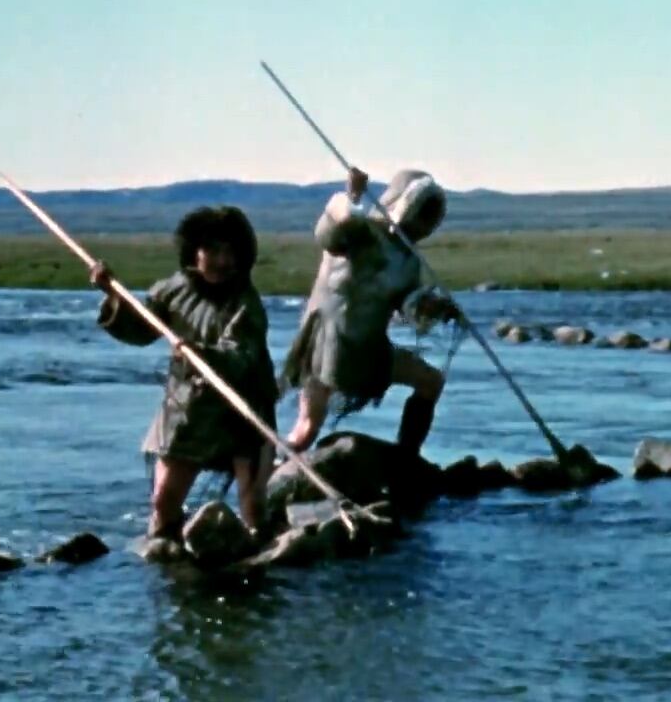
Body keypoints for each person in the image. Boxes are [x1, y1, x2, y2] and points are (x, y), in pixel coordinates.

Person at [90, 206, 278, 540]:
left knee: (253, 508)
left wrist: (200, 353)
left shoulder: (245, 304)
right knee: (164, 501)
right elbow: (142, 331)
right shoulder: (171, 290)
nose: (222, 261)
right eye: (213, 250)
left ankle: (257, 562)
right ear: (195, 251)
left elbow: (240, 357)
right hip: (189, 409)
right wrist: (112, 293)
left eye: (230, 252)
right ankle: (165, 561)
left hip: (244, 411)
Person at [281, 167, 460, 456]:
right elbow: (329, 233)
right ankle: (267, 475)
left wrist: (433, 307)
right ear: (405, 203)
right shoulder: (358, 232)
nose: (424, 223)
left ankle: (406, 458)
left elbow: (407, 305)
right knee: (307, 428)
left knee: (431, 381)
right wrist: (353, 197)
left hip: (369, 348)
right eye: (422, 211)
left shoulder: (408, 259)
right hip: (326, 344)